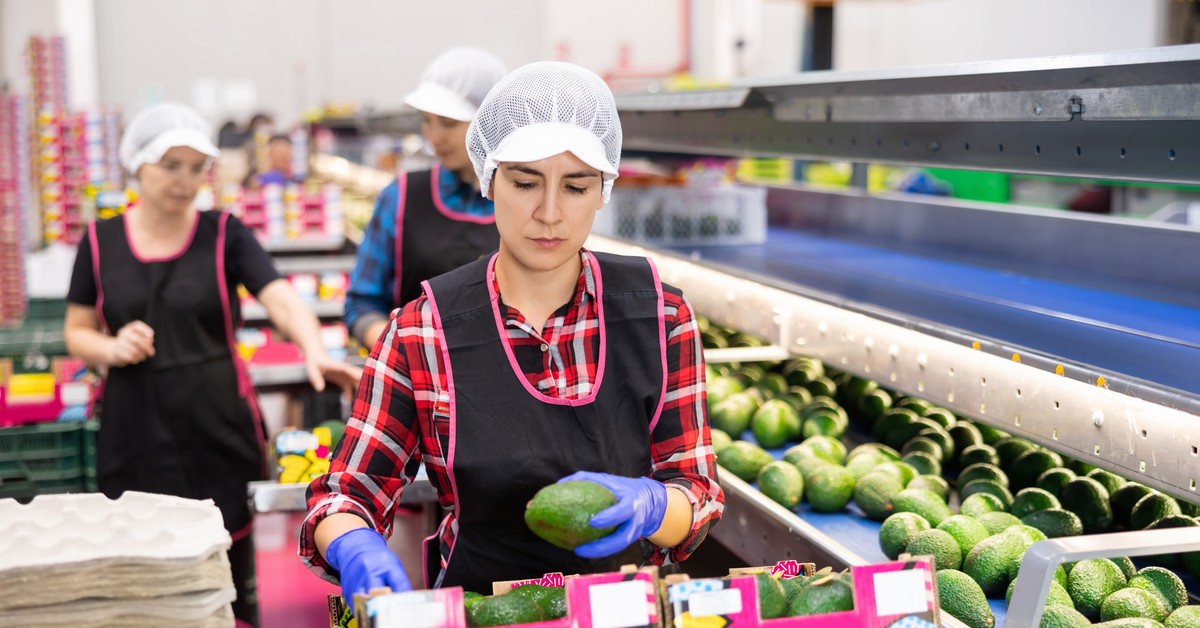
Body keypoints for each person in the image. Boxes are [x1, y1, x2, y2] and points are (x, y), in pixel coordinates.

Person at [301, 62, 724, 602]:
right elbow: (344, 495)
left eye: (576, 186)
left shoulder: (661, 318)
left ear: (604, 191)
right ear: (489, 179)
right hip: (480, 611)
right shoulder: (421, 331)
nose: (549, 213)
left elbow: (699, 492)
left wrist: (657, 506)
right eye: (525, 182)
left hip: (618, 611)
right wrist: (353, 542)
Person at [64, 102, 361, 627]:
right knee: (144, 578)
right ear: (137, 165)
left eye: (197, 168)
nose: (185, 181)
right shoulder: (99, 241)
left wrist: (314, 347)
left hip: (217, 425)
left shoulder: (224, 232)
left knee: (226, 575)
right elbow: (77, 331)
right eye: (170, 166)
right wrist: (111, 349)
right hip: (134, 429)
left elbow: (281, 299)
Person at [343, 47, 508, 349]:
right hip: (417, 385)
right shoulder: (401, 197)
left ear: (490, 122)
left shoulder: (523, 202)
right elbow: (361, 303)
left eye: (448, 123)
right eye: (426, 120)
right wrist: (404, 355)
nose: (434, 136)